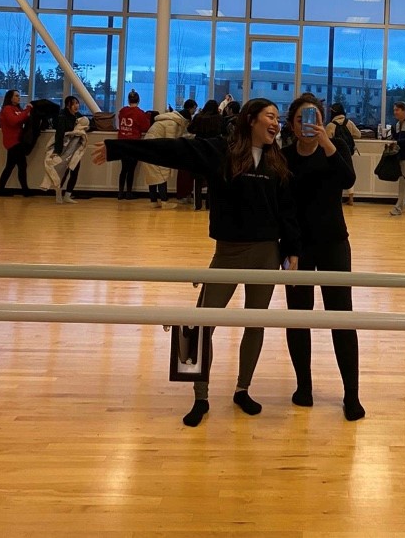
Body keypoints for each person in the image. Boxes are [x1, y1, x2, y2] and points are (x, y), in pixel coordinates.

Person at [93, 97, 300, 427]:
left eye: (278, 118)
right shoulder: (221, 151)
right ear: (251, 119)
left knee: (255, 324)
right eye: (270, 116)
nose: (276, 123)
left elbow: (287, 210)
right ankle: (200, 397)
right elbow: (172, 150)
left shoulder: (278, 161)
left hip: (266, 254)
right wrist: (118, 148)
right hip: (228, 253)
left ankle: (243, 390)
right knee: (201, 325)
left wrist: (292, 251)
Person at [282, 93, 365, 421]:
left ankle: (351, 394)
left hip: (333, 243)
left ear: (322, 121)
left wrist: (326, 142)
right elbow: (284, 206)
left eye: (314, 118)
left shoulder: (336, 148)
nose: (307, 124)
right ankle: (304, 386)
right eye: (301, 119)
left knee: (341, 316)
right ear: (292, 125)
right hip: (298, 248)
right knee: (298, 317)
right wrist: (289, 250)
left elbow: (348, 180)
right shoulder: (285, 156)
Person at [142, 106, 191, 208]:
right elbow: (170, 142)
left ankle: (153, 201)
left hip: (148, 148)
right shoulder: (172, 123)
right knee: (162, 176)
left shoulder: (169, 119)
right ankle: (164, 201)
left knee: (152, 177)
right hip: (156, 150)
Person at [188, 99, 224, 210]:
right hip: (214, 148)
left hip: (199, 147)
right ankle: (209, 204)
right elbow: (223, 131)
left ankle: (197, 204)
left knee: (197, 178)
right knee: (212, 178)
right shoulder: (219, 118)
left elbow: (190, 129)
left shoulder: (198, 117)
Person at [0, 89, 32, 197]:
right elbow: (14, 121)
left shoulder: (17, 109)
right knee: (20, 165)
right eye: (16, 96)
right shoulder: (7, 109)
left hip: (17, 141)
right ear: (10, 98)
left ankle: (1, 190)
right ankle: (25, 191)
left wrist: (27, 112)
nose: (19, 97)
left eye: (19, 95)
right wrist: (27, 110)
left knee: (11, 166)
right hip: (12, 142)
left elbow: (22, 118)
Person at [116, 89, 150, 200]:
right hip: (134, 143)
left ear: (128, 100)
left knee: (123, 169)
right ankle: (129, 193)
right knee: (131, 169)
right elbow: (145, 127)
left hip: (122, 142)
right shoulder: (140, 113)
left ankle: (120, 192)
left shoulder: (122, 111)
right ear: (138, 100)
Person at [325, 102, 361, 205]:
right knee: (349, 173)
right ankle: (351, 198)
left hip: (335, 153)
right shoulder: (349, 123)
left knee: (336, 175)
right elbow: (358, 134)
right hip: (348, 152)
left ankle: (337, 198)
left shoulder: (331, 125)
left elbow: (327, 139)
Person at [52, 95, 82, 204]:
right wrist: (57, 151)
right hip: (65, 148)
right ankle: (58, 193)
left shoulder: (78, 116)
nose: (76, 106)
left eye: (77, 103)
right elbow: (59, 134)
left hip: (75, 148)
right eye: (73, 104)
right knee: (63, 172)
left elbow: (87, 124)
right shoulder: (62, 116)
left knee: (74, 171)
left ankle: (68, 195)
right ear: (68, 105)